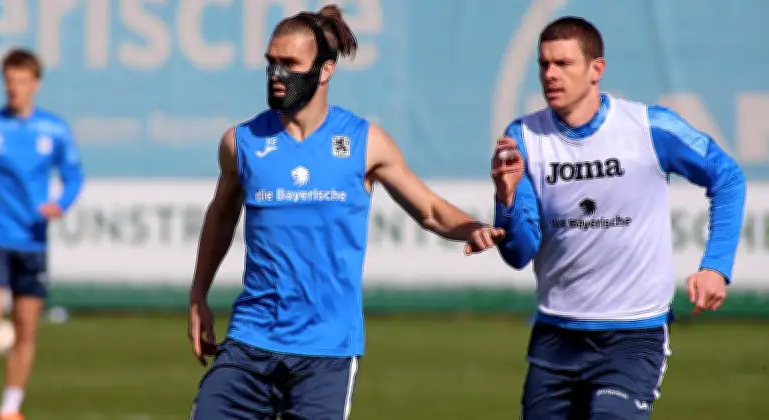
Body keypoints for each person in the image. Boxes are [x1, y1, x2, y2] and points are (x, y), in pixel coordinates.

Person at [187, 4, 505, 419]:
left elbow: (428, 209)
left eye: (290, 64)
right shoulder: (241, 142)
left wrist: (472, 228)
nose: (276, 74)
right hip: (249, 342)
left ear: (325, 71)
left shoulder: (364, 142)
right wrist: (198, 295)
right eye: (271, 62)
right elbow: (221, 215)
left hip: (326, 354)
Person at [488, 16, 746, 420]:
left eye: (563, 63)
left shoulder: (649, 127)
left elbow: (727, 177)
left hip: (633, 336)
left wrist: (716, 266)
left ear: (597, 69)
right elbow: (519, 253)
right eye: (544, 64)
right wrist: (506, 199)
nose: (550, 74)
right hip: (556, 336)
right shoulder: (523, 137)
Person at [0, 49, 85, 420]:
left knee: (25, 328)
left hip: (32, 239)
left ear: (35, 83)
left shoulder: (54, 130)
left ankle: (10, 408)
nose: (14, 88)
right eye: (9, 81)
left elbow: (73, 176)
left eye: (21, 81)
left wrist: (60, 204)